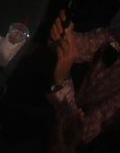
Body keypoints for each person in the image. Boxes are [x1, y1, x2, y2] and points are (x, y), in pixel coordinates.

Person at [48, 9, 120, 151]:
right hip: (66, 112)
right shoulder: (116, 33)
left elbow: (81, 133)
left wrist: (62, 82)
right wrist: (63, 36)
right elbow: (87, 44)